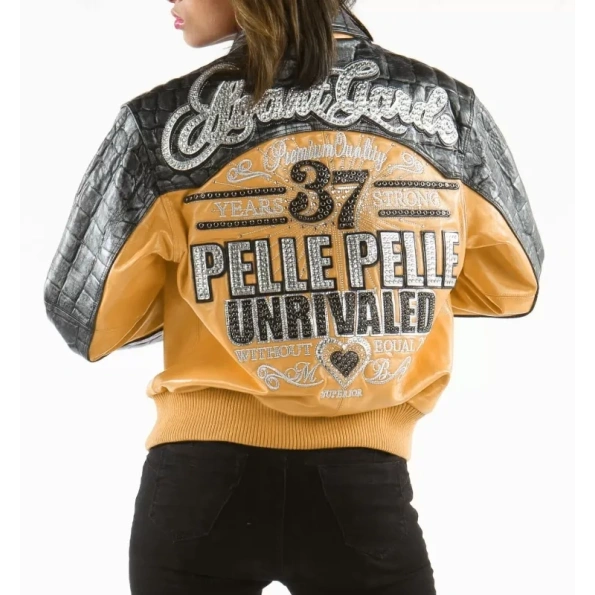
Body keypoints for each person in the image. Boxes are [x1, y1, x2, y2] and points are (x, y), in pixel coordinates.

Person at [43, 0, 545, 593]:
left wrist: (207, 295)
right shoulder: (450, 111)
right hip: (366, 489)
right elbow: (513, 281)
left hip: (195, 490)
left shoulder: (160, 121)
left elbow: (83, 317)